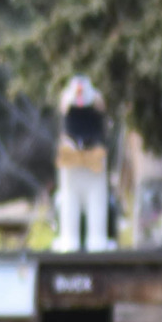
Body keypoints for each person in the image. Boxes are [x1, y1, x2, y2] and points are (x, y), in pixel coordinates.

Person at [53, 75, 113, 253]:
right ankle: (69, 238)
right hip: (72, 158)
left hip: (94, 156)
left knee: (97, 201)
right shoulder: (68, 105)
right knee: (68, 200)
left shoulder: (95, 102)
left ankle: (97, 239)